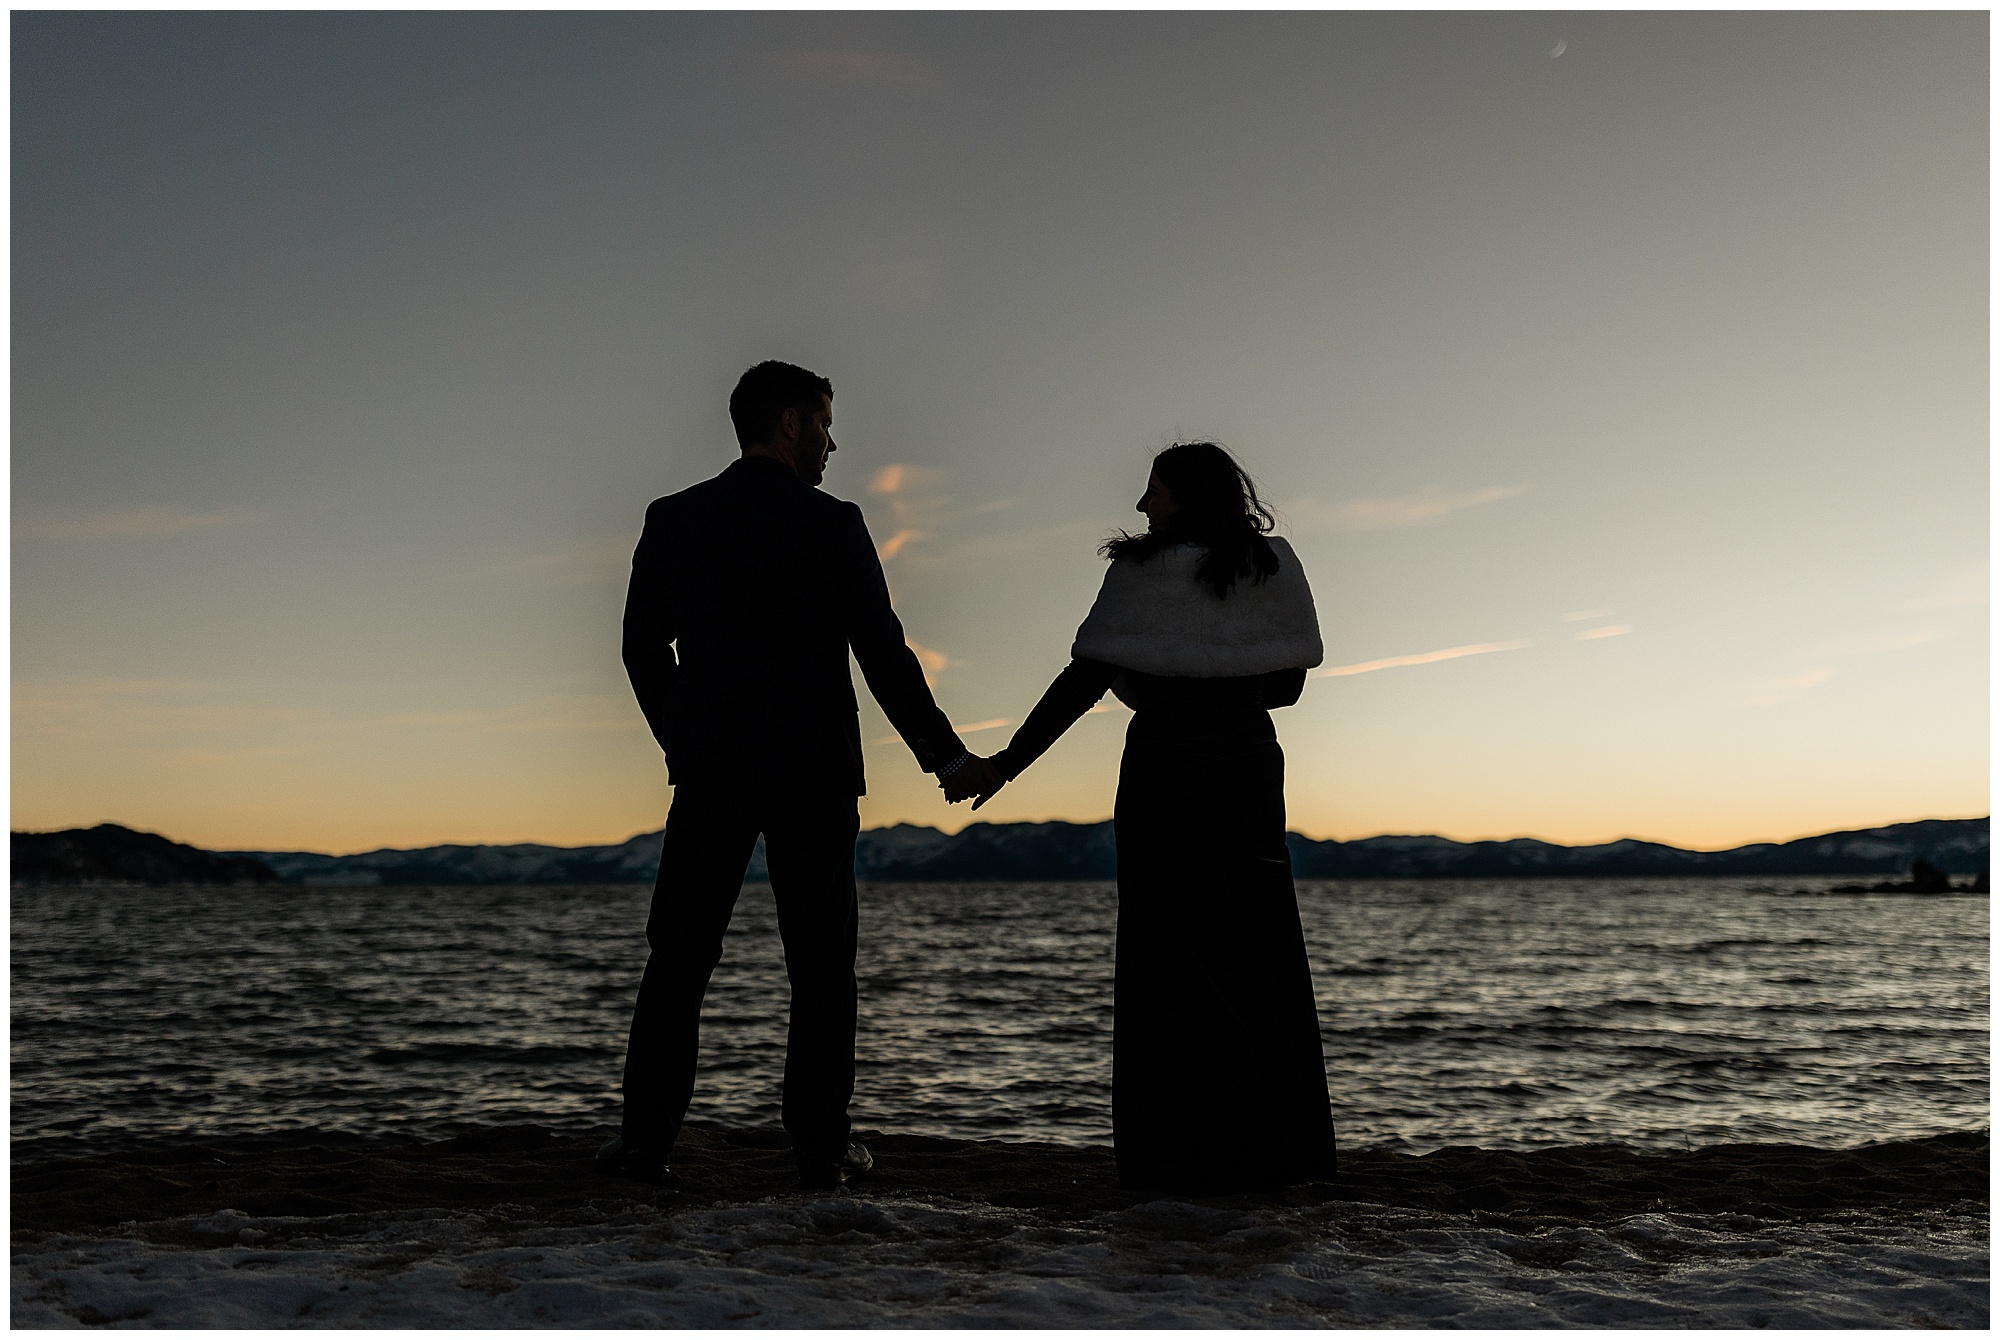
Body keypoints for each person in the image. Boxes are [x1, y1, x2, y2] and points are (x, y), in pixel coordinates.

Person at [601, 360, 1002, 1190]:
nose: (831, 440)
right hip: (813, 768)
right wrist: (947, 757)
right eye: (823, 421)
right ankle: (819, 1149)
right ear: (788, 422)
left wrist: (682, 739)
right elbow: (882, 654)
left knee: (678, 957)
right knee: (820, 965)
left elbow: (643, 649)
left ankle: (644, 1147)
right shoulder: (832, 523)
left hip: (711, 768)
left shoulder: (674, 518)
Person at [970, 442, 1337, 1193]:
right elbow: (1289, 687)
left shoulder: (1138, 575)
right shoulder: (1269, 565)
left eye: (1155, 492)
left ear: (1189, 496)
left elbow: (1084, 679)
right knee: (1256, 953)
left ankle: (1169, 1156)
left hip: (1165, 768)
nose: (1142, 506)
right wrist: (1217, 679)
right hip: (1243, 768)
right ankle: (1278, 1156)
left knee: (1162, 954)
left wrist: (1009, 762)